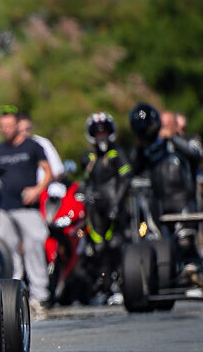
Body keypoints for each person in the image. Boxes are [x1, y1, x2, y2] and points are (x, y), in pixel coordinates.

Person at [0, 105, 52, 315]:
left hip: (27, 207)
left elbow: (48, 172)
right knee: (8, 251)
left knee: (35, 244)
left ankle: (40, 295)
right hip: (5, 208)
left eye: (9, 125)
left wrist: (37, 190)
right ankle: (13, 295)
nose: (6, 129)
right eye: (2, 126)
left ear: (18, 125)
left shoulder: (32, 146)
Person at [131, 102, 203, 273]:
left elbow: (196, 155)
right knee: (161, 249)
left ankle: (193, 269)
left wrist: (172, 138)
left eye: (165, 125)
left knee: (186, 246)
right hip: (160, 209)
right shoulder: (153, 150)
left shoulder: (188, 142)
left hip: (184, 206)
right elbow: (133, 169)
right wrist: (140, 146)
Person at [80, 112, 133, 304]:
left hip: (115, 208)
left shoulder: (117, 154)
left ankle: (120, 284)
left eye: (104, 131)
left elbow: (126, 179)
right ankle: (104, 286)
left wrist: (117, 204)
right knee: (97, 248)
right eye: (97, 132)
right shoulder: (88, 157)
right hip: (95, 211)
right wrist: (84, 195)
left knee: (115, 245)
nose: (101, 136)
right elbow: (85, 182)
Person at [17, 111, 64, 184]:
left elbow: (58, 172)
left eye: (28, 130)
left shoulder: (43, 143)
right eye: (21, 131)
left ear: (32, 127)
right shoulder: (9, 147)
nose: (25, 133)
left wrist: (39, 187)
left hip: (46, 187)